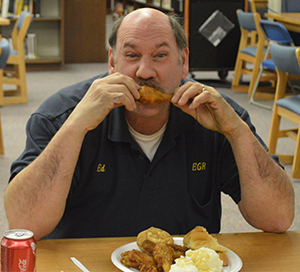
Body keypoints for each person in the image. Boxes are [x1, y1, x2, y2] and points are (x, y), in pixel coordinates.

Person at [4, 8, 294, 240]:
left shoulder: (217, 115)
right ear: (112, 63)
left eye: (160, 55)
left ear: (183, 62)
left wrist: (238, 132)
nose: (144, 71)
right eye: (131, 56)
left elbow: (278, 217)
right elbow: (24, 223)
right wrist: (74, 128)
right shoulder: (61, 115)